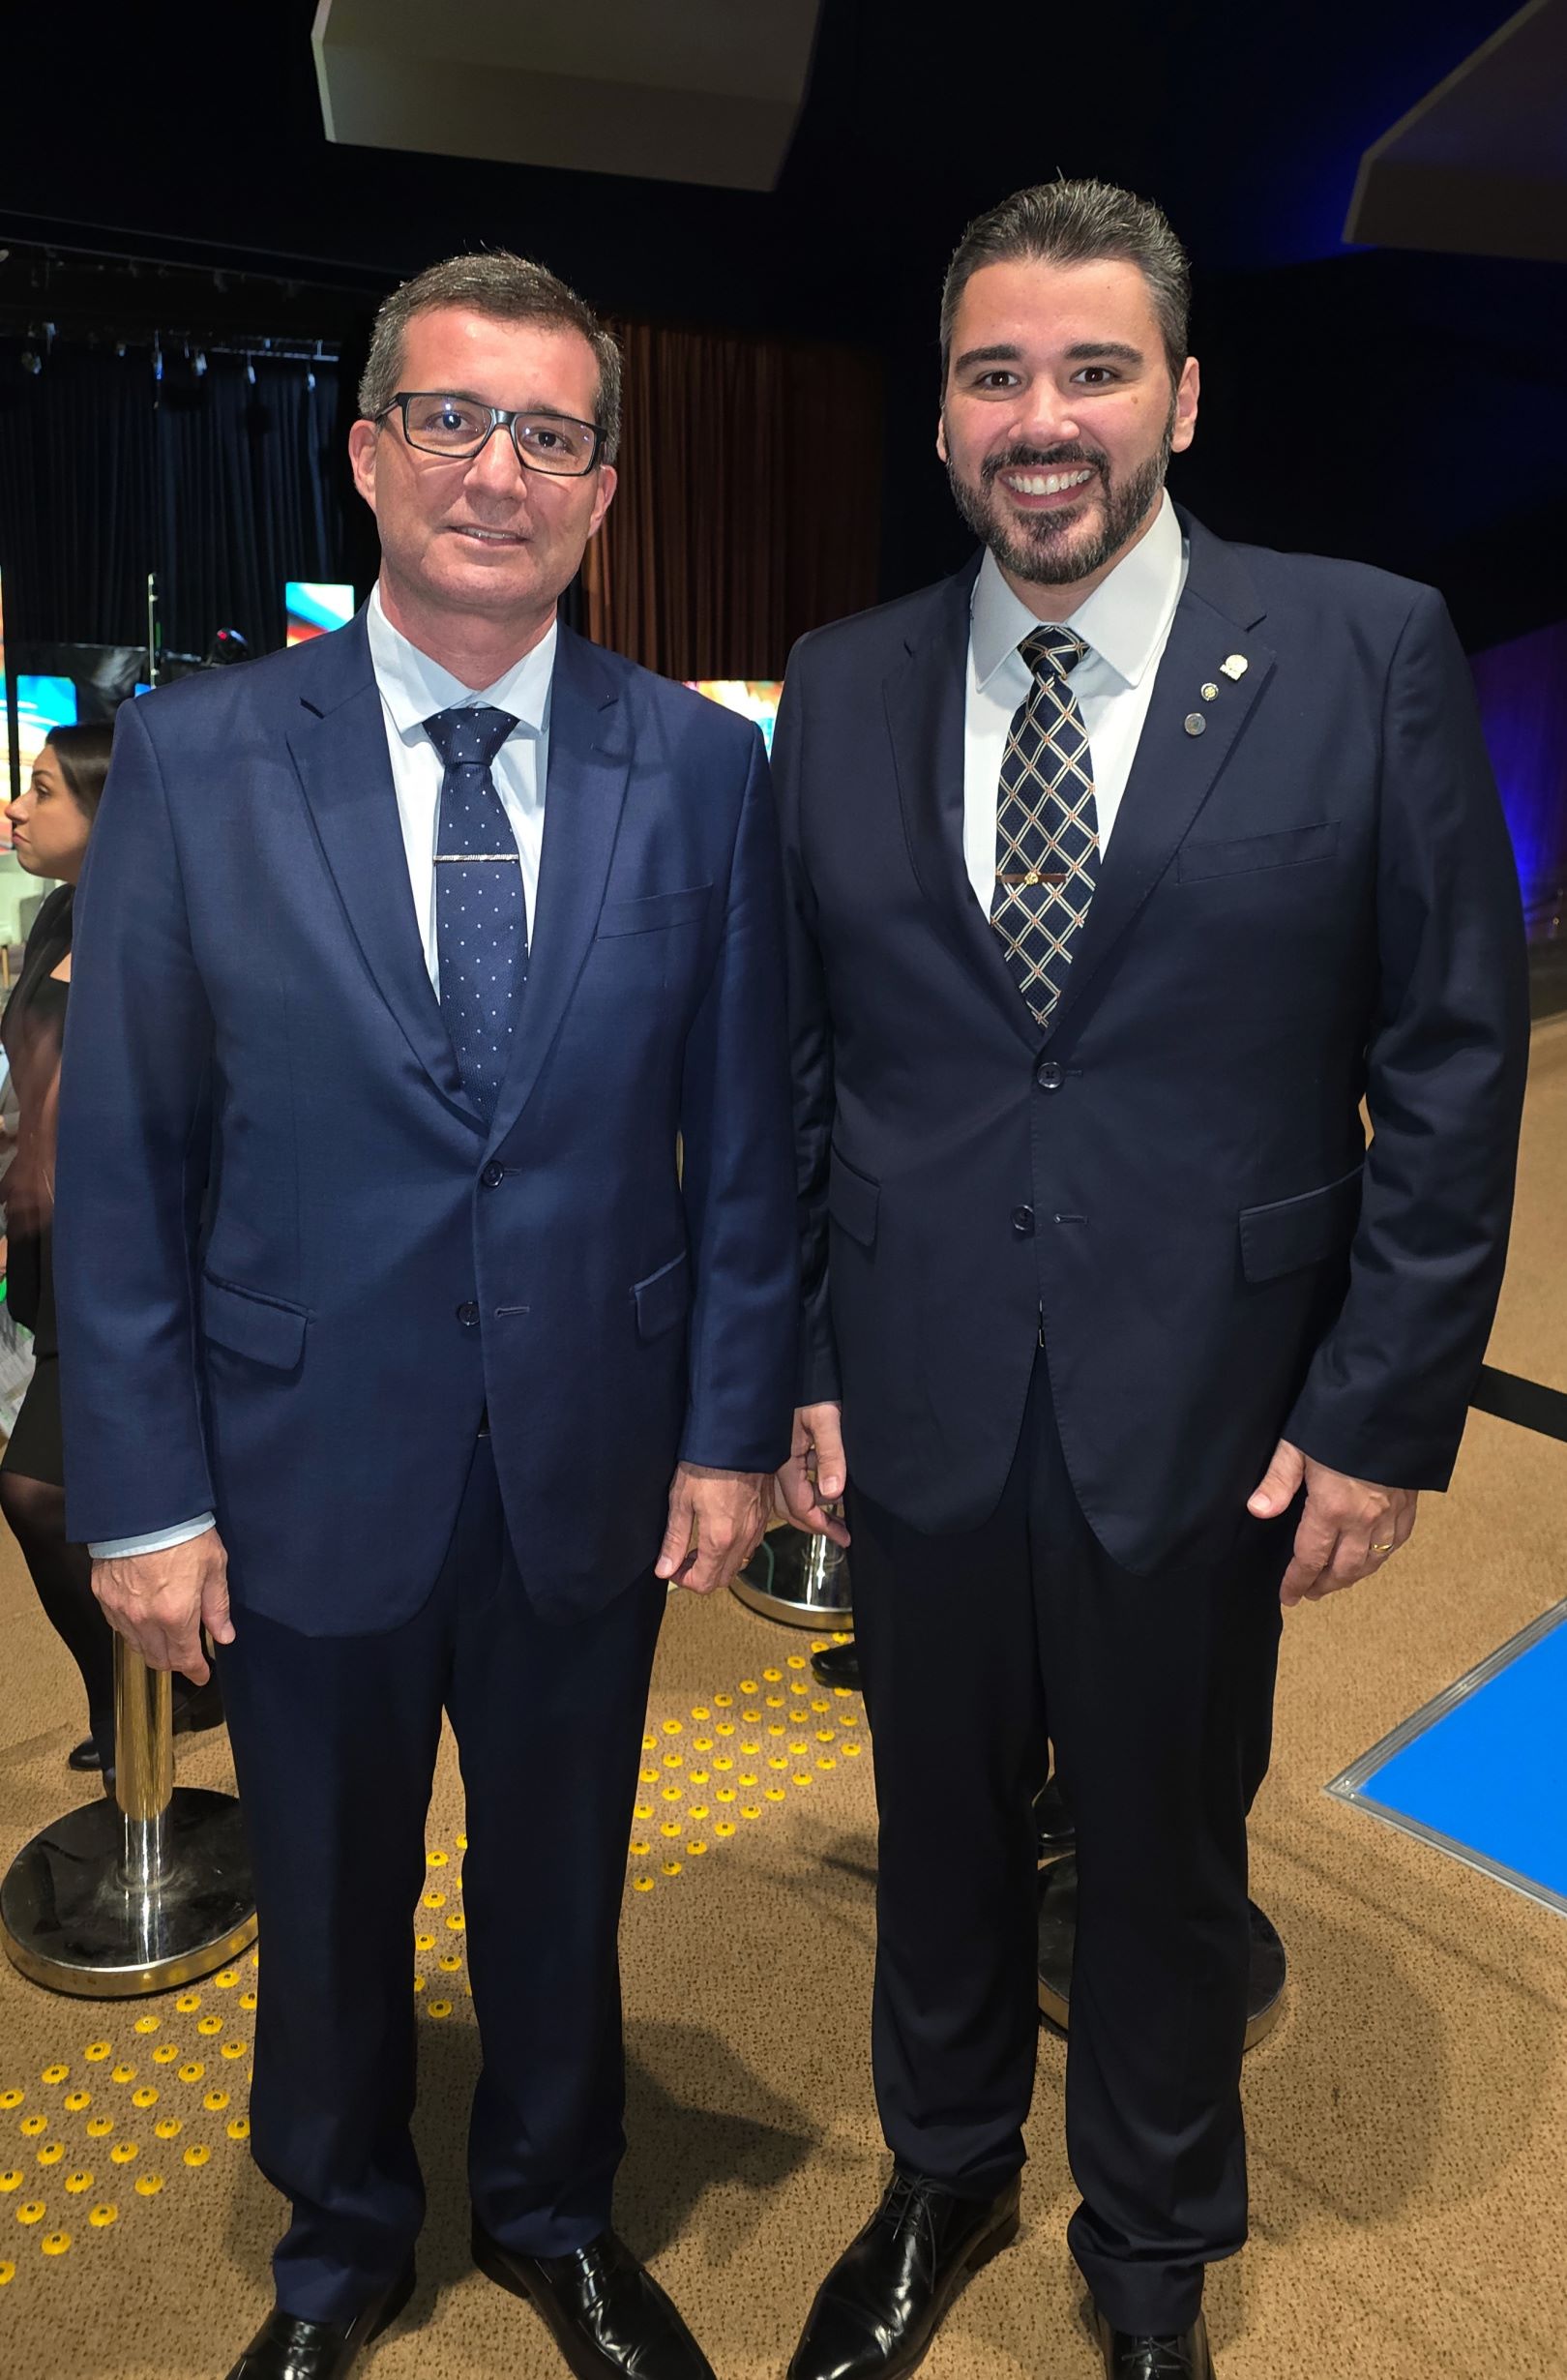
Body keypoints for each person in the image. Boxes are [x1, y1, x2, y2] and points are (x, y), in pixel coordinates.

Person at [772, 181, 1527, 2380]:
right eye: (994, 370)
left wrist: (1383, 1408)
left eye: (1091, 367)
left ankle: (1154, 2225)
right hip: (909, 1389)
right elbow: (794, 1067)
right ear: (940, 412)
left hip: (1215, 1397)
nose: (1041, 416)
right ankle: (940, 2169)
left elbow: (1452, 1057)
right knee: (932, 1823)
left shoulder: (1361, 647)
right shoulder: (840, 683)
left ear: (1179, 394)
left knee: (1169, 1847)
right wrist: (801, 1358)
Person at [55, 253, 797, 2380]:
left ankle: (557, 2212)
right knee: (332, 1889)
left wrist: (733, 1428)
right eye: (456, 422)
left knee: (560, 1883)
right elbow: (128, 1173)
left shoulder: (696, 771)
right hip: (298, 1465)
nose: (500, 470)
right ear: (369, 452)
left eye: (550, 435)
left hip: (599, 1448)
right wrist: (144, 1493)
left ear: (603, 490)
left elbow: (746, 1143)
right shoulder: (193, 762)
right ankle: (341, 2242)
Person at [0, 727, 224, 1778]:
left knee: (43, 1492)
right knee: (52, 1495)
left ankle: (171, 1689)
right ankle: (141, 1694)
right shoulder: (50, 922)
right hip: (48, 1251)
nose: (15, 808)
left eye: (40, 791)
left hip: (139, 1259)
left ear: (104, 810)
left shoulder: (171, 931)